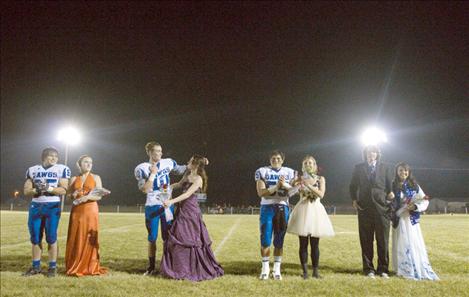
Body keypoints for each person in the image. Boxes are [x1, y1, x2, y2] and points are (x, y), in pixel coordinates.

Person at [161, 155, 224, 281]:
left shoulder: (199, 179)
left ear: (195, 165)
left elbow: (187, 194)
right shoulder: (187, 175)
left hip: (190, 210)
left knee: (189, 237)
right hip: (181, 209)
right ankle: (179, 267)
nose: (187, 162)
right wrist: (165, 186)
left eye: (190, 161)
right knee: (178, 235)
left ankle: (190, 267)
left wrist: (171, 201)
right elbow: (178, 185)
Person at [134, 141, 188, 276]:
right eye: (156, 151)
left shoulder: (168, 162)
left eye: (160, 151)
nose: (159, 153)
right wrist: (152, 174)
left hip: (167, 204)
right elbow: (145, 189)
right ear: (149, 152)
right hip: (152, 205)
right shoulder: (142, 168)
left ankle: (167, 265)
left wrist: (197, 163)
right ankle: (151, 267)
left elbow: (183, 169)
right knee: (152, 237)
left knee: (167, 237)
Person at [22, 147, 71, 277]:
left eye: (56, 156)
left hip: (52, 205)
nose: (54, 158)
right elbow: (26, 191)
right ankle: (36, 266)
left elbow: (64, 190)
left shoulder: (62, 169)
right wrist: (36, 190)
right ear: (44, 157)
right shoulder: (32, 170)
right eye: (51, 156)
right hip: (36, 205)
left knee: (51, 237)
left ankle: (52, 267)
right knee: (35, 238)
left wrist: (48, 187)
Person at [349, 145, 393, 278]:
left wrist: (390, 197)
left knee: (383, 240)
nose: (371, 154)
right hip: (365, 208)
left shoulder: (385, 167)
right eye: (368, 152)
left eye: (373, 152)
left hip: (382, 209)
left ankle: (383, 269)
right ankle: (368, 269)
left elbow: (389, 187)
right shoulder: (359, 167)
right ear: (365, 154)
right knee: (366, 240)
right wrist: (354, 200)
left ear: (377, 154)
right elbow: (352, 186)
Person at [287, 155, 334, 279]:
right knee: (303, 244)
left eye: (311, 163)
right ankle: (305, 272)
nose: (309, 165)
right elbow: (291, 192)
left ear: (315, 166)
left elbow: (321, 194)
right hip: (302, 209)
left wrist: (308, 185)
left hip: (316, 211)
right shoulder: (299, 179)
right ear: (303, 166)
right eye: (306, 163)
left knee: (315, 244)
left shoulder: (320, 179)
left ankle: (315, 271)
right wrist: (295, 184)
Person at [390, 162, 439, 280]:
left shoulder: (414, 185)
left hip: (411, 219)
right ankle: (402, 268)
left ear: (409, 172)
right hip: (399, 218)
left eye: (405, 170)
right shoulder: (392, 185)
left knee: (413, 242)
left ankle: (415, 265)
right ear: (397, 172)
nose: (403, 172)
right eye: (401, 170)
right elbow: (389, 201)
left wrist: (415, 207)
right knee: (400, 242)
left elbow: (424, 199)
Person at [65, 155, 109, 276]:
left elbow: (99, 195)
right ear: (79, 164)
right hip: (77, 211)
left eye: (91, 162)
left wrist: (87, 197)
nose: (89, 164)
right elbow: (67, 197)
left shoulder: (96, 177)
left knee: (90, 237)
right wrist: (73, 195)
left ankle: (90, 265)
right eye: (86, 162)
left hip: (90, 210)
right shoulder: (74, 178)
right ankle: (75, 263)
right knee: (76, 236)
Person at [255, 150, 296, 280]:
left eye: (278, 158)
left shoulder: (290, 172)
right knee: (266, 239)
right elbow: (261, 192)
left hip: (283, 207)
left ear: (282, 160)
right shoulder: (262, 171)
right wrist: (276, 186)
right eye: (273, 158)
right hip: (267, 207)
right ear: (270, 159)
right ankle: (265, 268)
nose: (276, 160)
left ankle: (277, 269)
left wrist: (284, 185)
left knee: (279, 240)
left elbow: (295, 191)